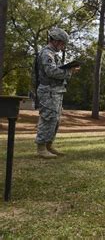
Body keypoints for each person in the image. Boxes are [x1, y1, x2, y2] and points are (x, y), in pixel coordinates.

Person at [35, 27, 80, 159]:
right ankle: (41, 148)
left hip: (55, 91)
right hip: (48, 91)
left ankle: (49, 145)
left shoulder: (53, 54)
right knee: (48, 117)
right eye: (62, 43)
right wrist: (69, 71)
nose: (63, 46)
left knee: (55, 119)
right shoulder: (46, 54)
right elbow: (51, 71)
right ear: (55, 41)